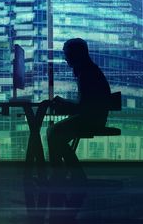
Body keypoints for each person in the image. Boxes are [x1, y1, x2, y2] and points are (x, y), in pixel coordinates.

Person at [42, 38, 111, 183]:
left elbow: (82, 106)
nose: (66, 58)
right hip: (94, 118)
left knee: (53, 133)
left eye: (67, 54)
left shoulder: (86, 74)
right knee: (54, 134)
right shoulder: (90, 70)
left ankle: (61, 175)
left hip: (91, 120)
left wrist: (63, 103)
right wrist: (65, 104)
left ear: (76, 55)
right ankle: (72, 174)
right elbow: (85, 104)